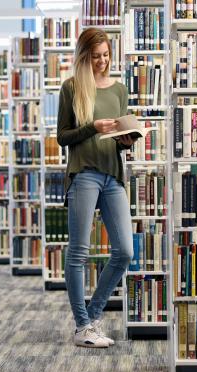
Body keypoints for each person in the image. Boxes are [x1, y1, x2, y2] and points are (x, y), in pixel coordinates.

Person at [56, 28, 135, 348]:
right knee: (79, 252)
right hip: (84, 173)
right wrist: (92, 127)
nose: (102, 61)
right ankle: (82, 326)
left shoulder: (119, 89)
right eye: (96, 56)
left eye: (106, 55)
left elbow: (119, 138)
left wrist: (127, 140)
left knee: (125, 252)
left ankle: (91, 316)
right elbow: (63, 137)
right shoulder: (71, 88)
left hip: (113, 175)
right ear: (84, 56)